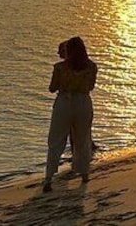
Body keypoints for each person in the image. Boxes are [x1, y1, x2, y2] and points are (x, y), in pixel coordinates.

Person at [44, 36, 97, 192]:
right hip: (83, 102)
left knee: (56, 140)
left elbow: (52, 88)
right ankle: (84, 173)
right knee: (82, 138)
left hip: (64, 103)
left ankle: (48, 178)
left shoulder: (60, 67)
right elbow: (91, 86)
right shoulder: (92, 67)